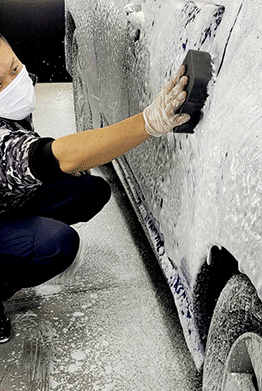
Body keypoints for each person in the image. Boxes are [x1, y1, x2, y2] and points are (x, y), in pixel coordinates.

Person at [0, 33, 191, 343]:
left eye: (13, 67)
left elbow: (32, 149)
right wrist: (148, 122)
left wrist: (67, 164)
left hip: (6, 202)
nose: (14, 80)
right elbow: (43, 156)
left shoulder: (9, 107)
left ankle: (18, 241)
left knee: (89, 190)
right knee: (58, 243)